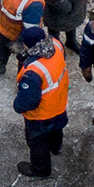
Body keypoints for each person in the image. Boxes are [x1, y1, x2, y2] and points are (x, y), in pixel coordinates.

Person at [12, 26, 70, 177]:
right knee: (56, 129)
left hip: (41, 115)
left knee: (37, 142)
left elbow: (29, 101)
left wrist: (17, 106)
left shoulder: (33, 71)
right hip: (59, 102)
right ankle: (56, 147)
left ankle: (40, 169)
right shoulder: (56, 45)